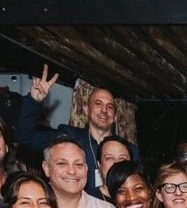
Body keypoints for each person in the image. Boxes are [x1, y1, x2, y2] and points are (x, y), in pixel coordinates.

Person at [17, 66, 138, 194]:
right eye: (98, 104)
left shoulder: (130, 151)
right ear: (86, 110)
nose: (104, 110)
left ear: (114, 117)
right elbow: (24, 137)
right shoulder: (68, 136)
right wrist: (34, 101)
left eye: (110, 107)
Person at [42, 138, 119, 208]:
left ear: (86, 168)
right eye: (62, 164)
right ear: (46, 168)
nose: (72, 171)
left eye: (78, 165)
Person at [94, 136, 135, 203]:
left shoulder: (138, 198)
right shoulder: (88, 200)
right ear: (99, 165)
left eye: (122, 158)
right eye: (109, 158)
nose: (116, 163)